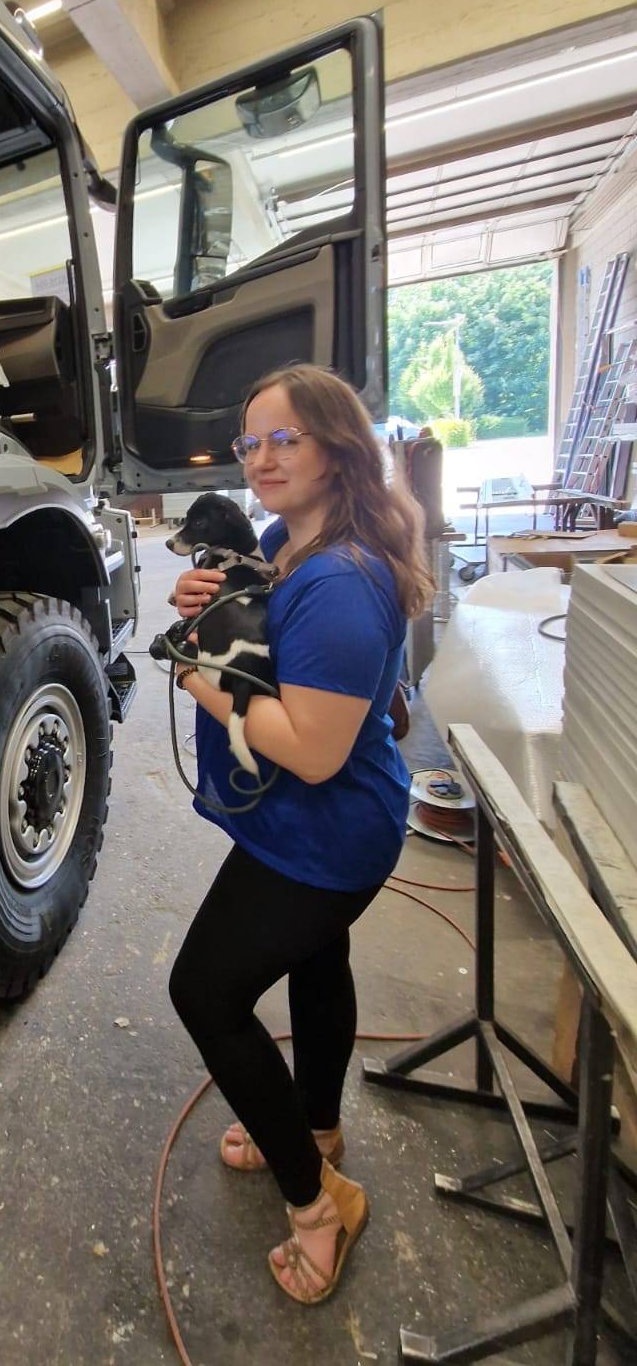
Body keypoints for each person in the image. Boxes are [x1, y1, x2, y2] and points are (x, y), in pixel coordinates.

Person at [168, 364, 432, 1304]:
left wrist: (193, 673)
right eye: (252, 442)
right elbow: (269, 639)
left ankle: (320, 1205)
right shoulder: (288, 541)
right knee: (318, 962)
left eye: (287, 438)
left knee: (204, 992)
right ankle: (316, 1128)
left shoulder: (343, 581)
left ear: (339, 445)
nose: (263, 458)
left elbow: (313, 752)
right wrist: (210, 601)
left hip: (329, 828)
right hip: (312, 819)